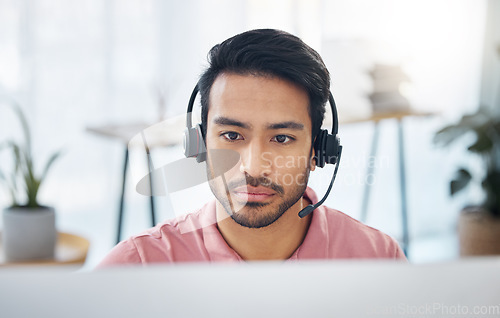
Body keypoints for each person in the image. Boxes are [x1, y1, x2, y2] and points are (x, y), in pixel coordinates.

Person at [97, 29, 406, 267]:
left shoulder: (378, 259)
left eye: (282, 138)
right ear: (200, 144)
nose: (254, 167)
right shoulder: (136, 267)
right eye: (232, 136)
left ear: (318, 151)